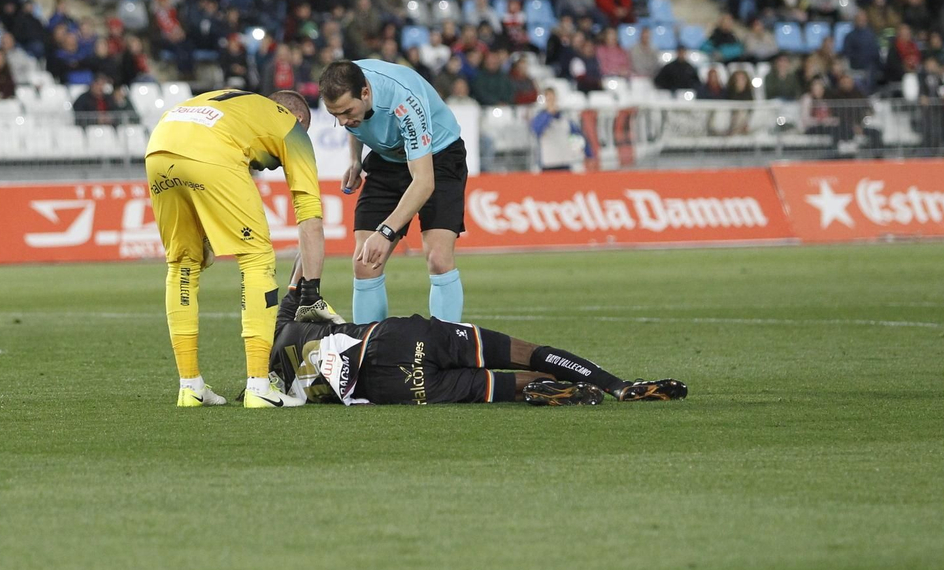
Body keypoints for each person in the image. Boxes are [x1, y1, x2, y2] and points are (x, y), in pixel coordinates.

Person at [144, 88, 326, 409]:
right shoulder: (292, 127)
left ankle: (190, 387)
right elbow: (308, 214)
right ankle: (259, 386)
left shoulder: (241, 106)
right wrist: (311, 289)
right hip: (211, 153)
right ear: (298, 118)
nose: (273, 166)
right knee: (257, 257)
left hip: (159, 147)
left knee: (183, 263)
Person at [265, 294, 686, 407]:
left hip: (390, 388)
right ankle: (617, 386)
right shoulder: (285, 323)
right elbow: (305, 266)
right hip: (396, 337)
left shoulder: (272, 383)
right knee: (525, 351)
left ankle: (537, 389)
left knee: (498, 386)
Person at [317, 58, 466, 326]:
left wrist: (386, 232)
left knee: (438, 258)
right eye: (334, 115)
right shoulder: (346, 80)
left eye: (346, 111)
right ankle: (369, 346)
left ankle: (448, 344)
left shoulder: (404, 101)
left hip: (439, 157)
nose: (342, 121)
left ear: (365, 92)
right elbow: (355, 123)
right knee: (365, 263)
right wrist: (355, 160)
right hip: (388, 158)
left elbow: (424, 182)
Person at [530, 87, 591, 172]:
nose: (551, 101)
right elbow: (537, 130)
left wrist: (588, 153)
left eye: (553, 98)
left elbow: (577, 134)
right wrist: (549, 114)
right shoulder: (539, 117)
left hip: (564, 161)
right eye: (548, 99)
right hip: (548, 163)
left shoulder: (565, 117)